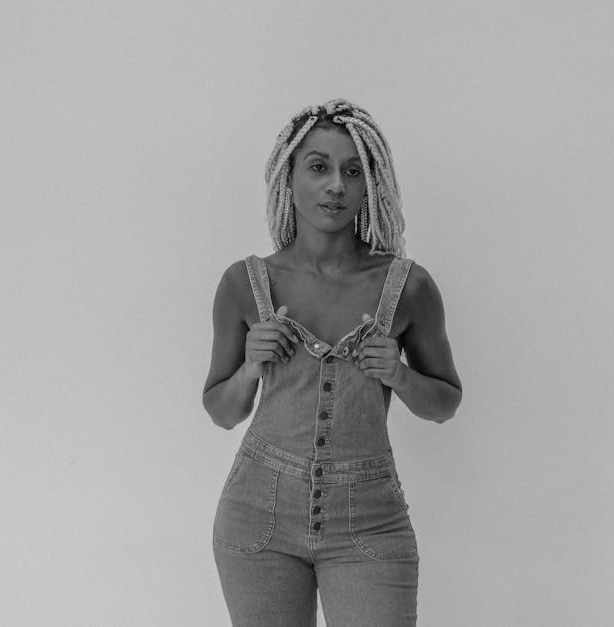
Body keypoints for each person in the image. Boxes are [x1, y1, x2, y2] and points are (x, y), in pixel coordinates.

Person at [202, 98, 462, 627]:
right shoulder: (243, 283)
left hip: (369, 523)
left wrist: (400, 374)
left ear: (371, 185)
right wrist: (251, 367)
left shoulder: (408, 286)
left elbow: (445, 404)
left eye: (353, 171)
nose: (336, 185)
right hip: (257, 519)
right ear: (288, 178)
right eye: (318, 167)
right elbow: (221, 411)